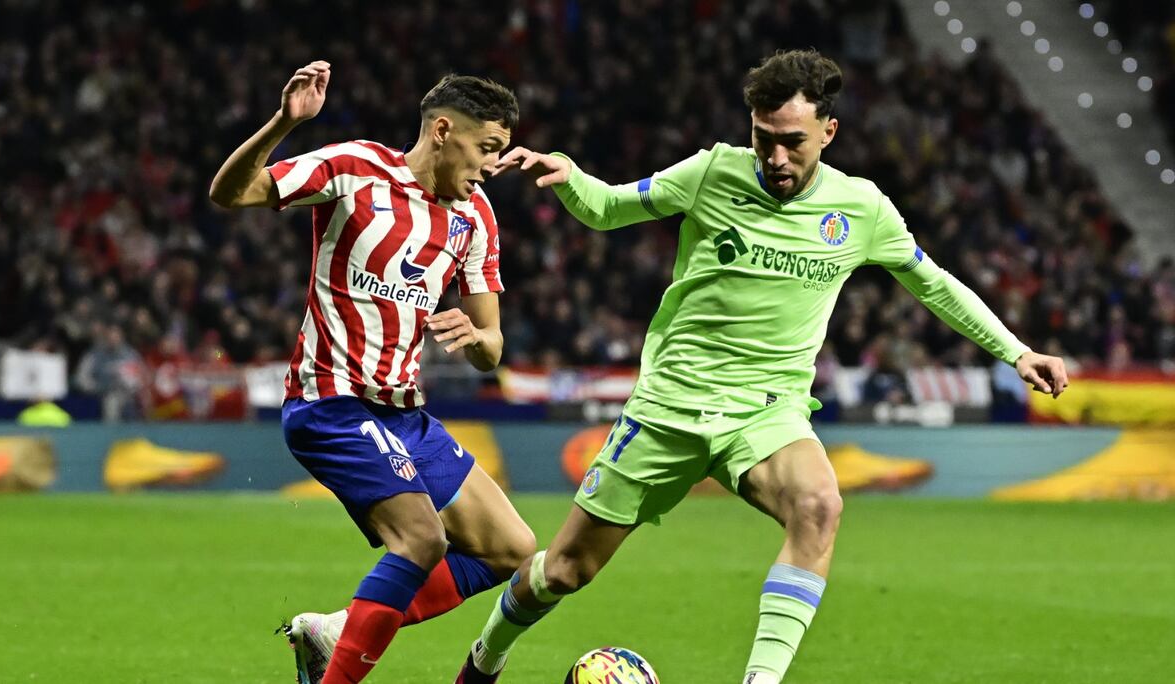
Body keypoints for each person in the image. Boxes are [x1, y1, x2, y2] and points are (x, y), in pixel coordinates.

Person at [456, 49, 1069, 684]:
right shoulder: (711, 172)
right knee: (563, 571)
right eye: (763, 139)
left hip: (766, 412)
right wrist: (571, 176)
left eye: (792, 142)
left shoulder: (861, 209)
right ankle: (484, 658)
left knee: (819, 506)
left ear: (829, 132)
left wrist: (1017, 352)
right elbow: (612, 207)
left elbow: (934, 284)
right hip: (670, 405)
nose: (775, 158)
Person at [209, 60, 535, 684]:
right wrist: (284, 122)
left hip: (405, 415)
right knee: (421, 538)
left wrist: (477, 338)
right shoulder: (356, 170)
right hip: (329, 402)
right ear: (443, 130)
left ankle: (335, 631)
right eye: (487, 148)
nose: (493, 165)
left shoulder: (477, 217)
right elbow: (230, 194)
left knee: (511, 550)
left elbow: (493, 345)